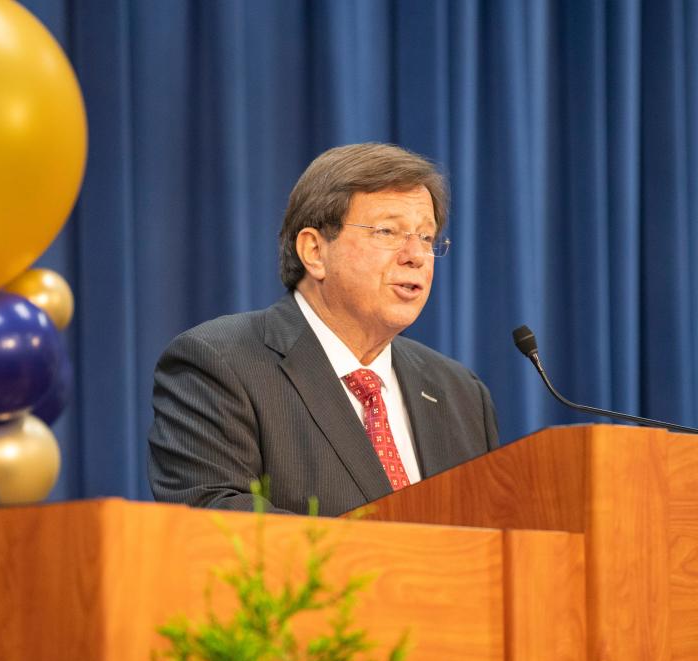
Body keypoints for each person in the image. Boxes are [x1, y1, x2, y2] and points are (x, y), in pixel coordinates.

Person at [148, 143, 499, 516]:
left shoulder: (462, 394)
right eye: (387, 232)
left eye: (426, 238)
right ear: (314, 251)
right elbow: (217, 520)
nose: (415, 256)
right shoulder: (219, 364)